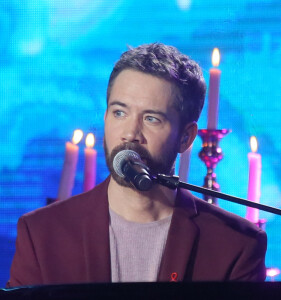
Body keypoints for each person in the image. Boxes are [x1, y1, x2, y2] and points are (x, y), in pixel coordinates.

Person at [7, 43, 267, 287]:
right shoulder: (42, 233)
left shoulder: (236, 243)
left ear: (186, 137)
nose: (130, 133)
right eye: (119, 112)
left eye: (152, 119)